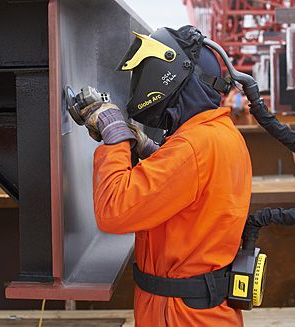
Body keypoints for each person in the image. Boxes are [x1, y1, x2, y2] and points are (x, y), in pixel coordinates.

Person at [79, 26, 252, 326]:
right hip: (198, 311)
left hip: (181, 316)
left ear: (168, 73)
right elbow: (188, 190)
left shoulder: (193, 147)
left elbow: (114, 211)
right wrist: (149, 149)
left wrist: (115, 136)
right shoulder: (219, 134)